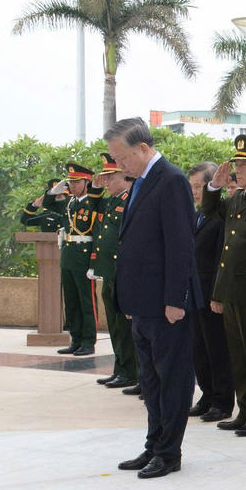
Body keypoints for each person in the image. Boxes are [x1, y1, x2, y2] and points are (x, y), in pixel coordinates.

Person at [107, 117, 200, 480]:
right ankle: (153, 444)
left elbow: (180, 246)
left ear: (143, 148)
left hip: (167, 306)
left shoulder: (171, 180)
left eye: (122, 156)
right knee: (150, 381)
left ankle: (168, 452)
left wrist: (175, 299)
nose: (119, 165)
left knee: (172, 379)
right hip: (142, 304)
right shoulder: (142, 183)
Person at [201, 134, 246, 436]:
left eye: (245, 164)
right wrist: (214, 187)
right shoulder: (237, 201)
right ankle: (243, 410)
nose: (238, 169)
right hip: (232, 291)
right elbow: (210, 211)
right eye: (236, 164)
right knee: (238, 356)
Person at [188, 162, 234, 423]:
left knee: (217, 348)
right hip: (194, 291)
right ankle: (206, 394)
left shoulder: (221, 217)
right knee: (199, 348)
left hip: (212, 291)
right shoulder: (196, 215)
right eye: (192, 186)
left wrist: (218, 294)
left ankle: (222, 400)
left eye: (198, 186)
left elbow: (220, 258)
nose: (195, 192)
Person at [88, 154, 138, 389]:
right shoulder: (111, 201)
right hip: (109, 272)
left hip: (122, 273)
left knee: (126, 326)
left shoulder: (130, 200)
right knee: (115, 326)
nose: (105, 181)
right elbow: (91, 205)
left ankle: (131, 371)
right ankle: (121, 368)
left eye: (110, 177)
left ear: (124, 176)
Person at [42, 163, 99, 356]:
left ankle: (88, 341)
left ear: (86, 182)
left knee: (86, 301)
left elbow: (98, 234)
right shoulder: (69, 203)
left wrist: (94, 263)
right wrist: (53, 191)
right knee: (71, 300)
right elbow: (48, 204)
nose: (73, 186)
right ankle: (75, 339)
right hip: (68, 255)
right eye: (71, 182)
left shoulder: (93, 203)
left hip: (84, 256)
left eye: (77, 182)